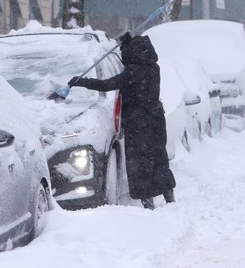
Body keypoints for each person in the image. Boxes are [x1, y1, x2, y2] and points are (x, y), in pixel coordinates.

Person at [69, 32, 176, 210]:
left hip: (138, 123)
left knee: (140, 163)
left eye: (125, 51)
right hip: (156, 120)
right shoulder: (153, 67)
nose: (123, 55)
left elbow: (107, 84)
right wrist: (129, 42)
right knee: (159, 159)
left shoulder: (132, 72)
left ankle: (147, 201)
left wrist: (81, 82)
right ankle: (169, 196)